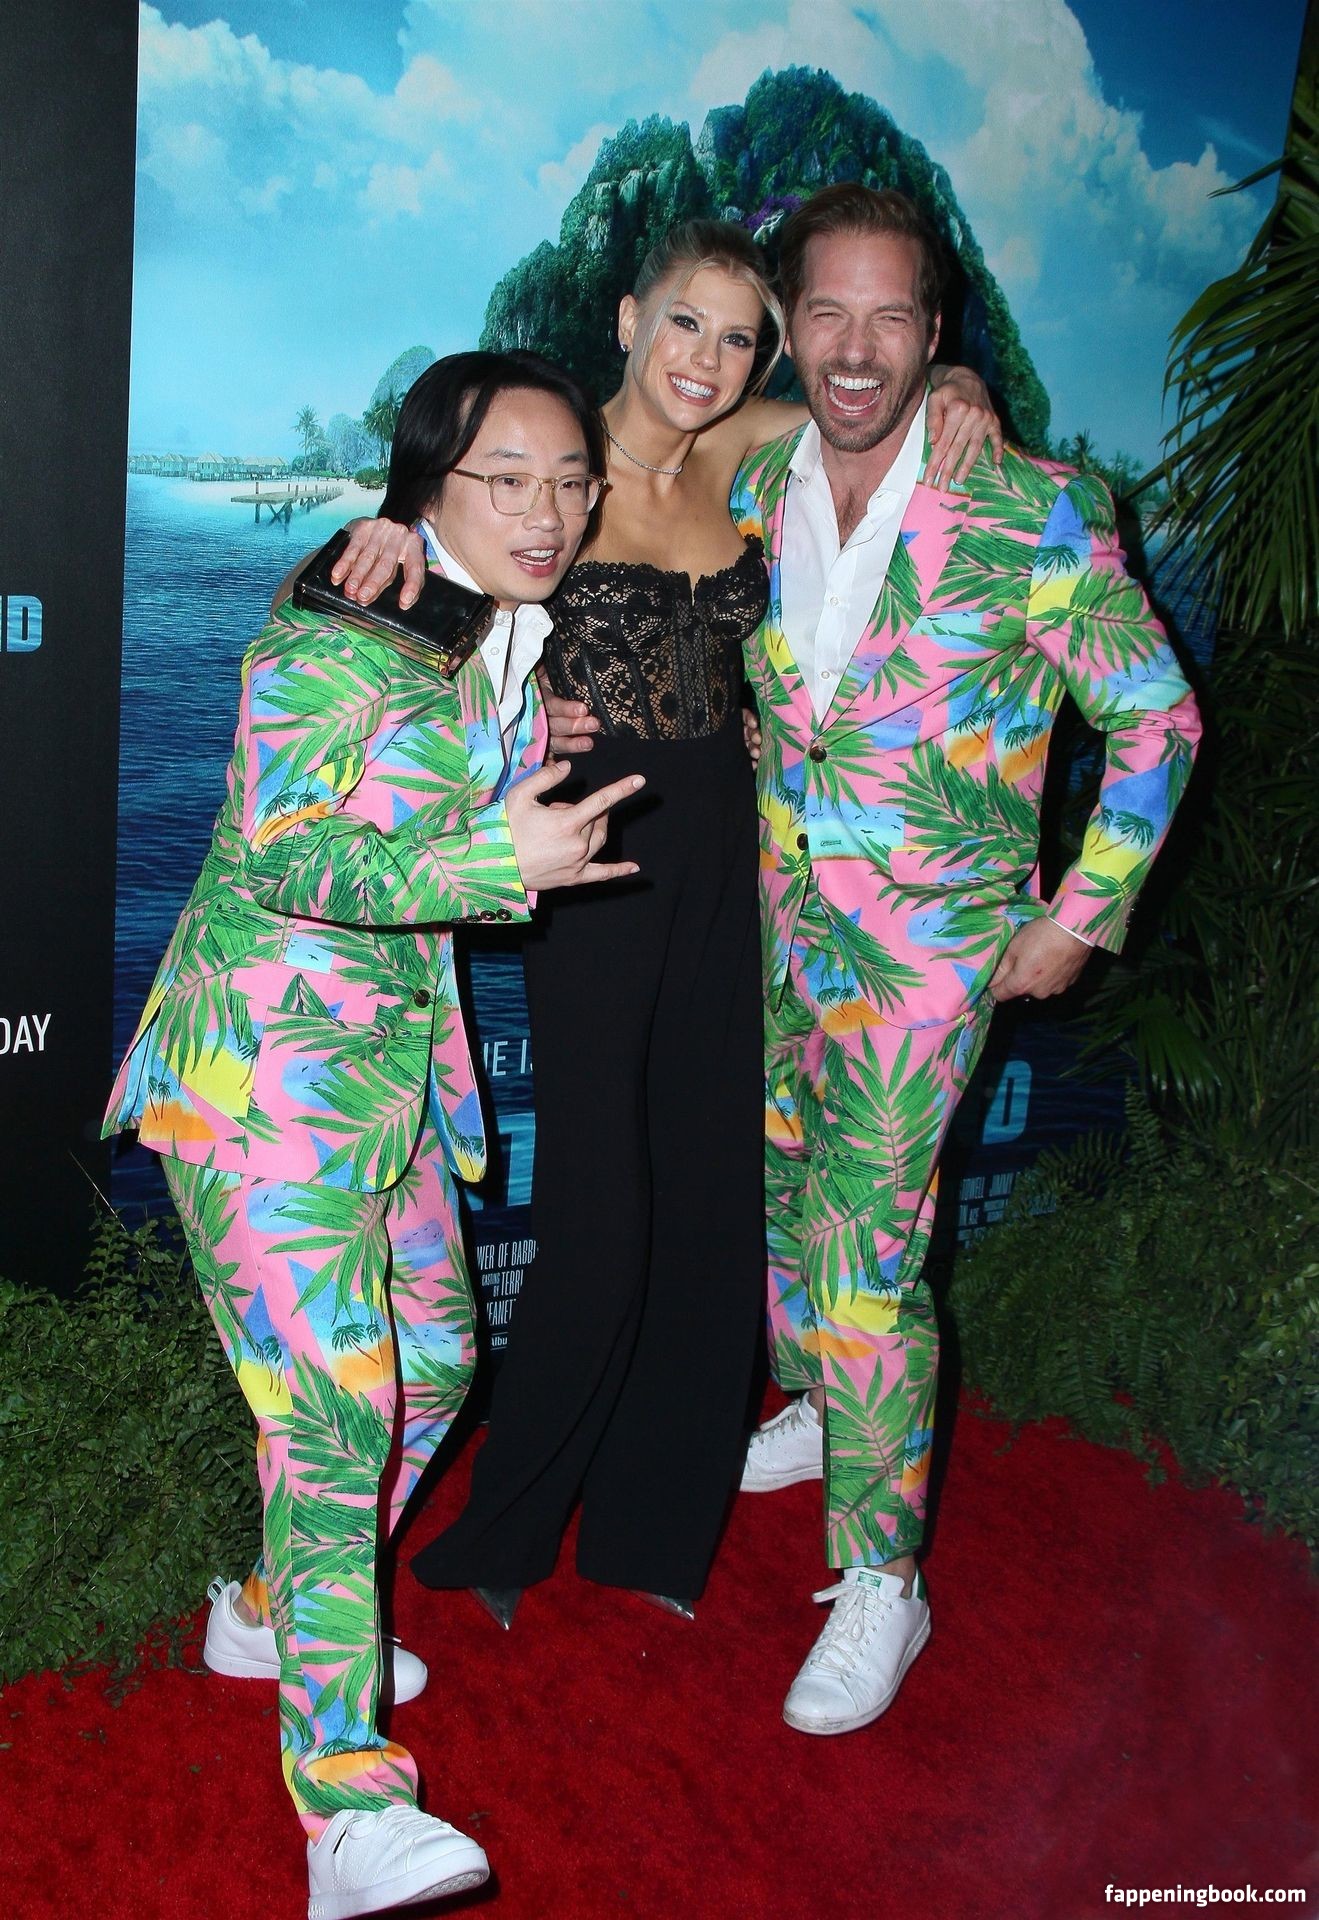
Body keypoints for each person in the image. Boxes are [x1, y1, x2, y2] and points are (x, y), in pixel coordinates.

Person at [333, 221, 1003, 1623]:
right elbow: (443, 543)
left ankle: (655, 1526)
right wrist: (391, 528)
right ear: (631, 319)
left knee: (710, 1196)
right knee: (598, 1206)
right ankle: (512, 1525)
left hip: (734, 856)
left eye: (740, 335)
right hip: (592, 863)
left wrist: (958, 387)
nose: (709, 358)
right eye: (685, 323)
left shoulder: (752, 446)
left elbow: (870, 395)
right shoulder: (552, 464)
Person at [103, 350, 646, 1920]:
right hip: (263, 1085)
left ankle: (270, 1612)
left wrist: (528, 746)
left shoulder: (491, 635)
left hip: (392, 1088)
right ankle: (346, 1810)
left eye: (571, 482)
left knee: (443, 1365)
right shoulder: (336, 629)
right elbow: (286, 853)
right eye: (508, 481)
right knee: (338, 1428)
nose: (548, 513)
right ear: (426, 488)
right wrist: (501, 854)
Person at [714, 183, 1201, 1736]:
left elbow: (1159, 720)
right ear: (788, 327)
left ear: (936, 332)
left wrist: (1081, 911)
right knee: (793, 1199)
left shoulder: (1031, 507)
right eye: (829, 312)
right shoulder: (755, 481)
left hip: (928, 959)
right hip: (775, 922)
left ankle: (885, 1577)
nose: (858, 348)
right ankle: (824, 1402)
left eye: (892, 315)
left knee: (865, 1248)